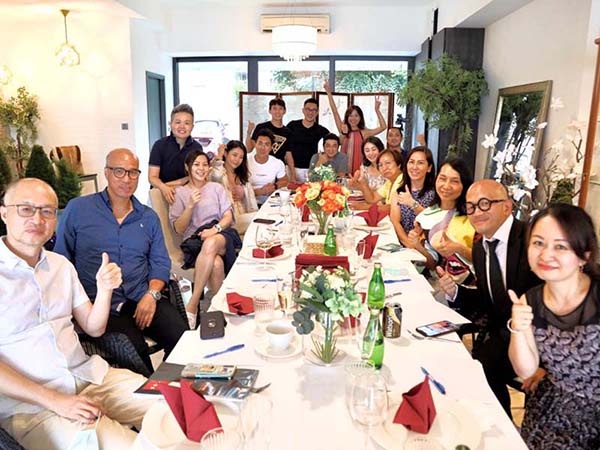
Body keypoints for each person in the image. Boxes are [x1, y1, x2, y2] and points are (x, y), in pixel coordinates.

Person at [0, 178, 155, 450]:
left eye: (47, 211)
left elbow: (93, 328)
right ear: (4, 213)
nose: (38, 218)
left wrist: (105, 289)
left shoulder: (61, 266)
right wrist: (55, 400)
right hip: (34, 407)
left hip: (91, 378)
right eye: (26, 209)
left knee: (176, 404)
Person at [55, 149, 188, 375]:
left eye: (133, 173)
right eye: (119, 172)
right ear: (106, 173)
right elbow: (61, 261)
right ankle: (152, 395)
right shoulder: (78, 209)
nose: (126, 179)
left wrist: (152, 295)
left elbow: (160, 262)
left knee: (184, 340)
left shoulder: (148, 217)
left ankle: (173, 386)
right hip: (98, 306)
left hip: (141, 296)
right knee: (134, 352)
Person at [436, 179, 542, 417]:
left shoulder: (530, 239)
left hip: (537, 335)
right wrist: (454, 292)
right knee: (466, 365)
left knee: (483, 366)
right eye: (471, 207)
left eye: (484, 204)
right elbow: (486, 300)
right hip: (503, 332)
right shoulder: (479, 246)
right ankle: (499, 424)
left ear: (507, 206)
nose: (476, 212)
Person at [508, 205, 600, 449]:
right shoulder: (531, 299)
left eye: (560, 246)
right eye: (538, 243)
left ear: (584, 255)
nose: (546, 255)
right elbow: (526, 371)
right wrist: (518, 326)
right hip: (550, 409)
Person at [170, 150, 241, 329]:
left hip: (221, 235)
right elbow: (179, 229)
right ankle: (217, 313)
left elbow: (227, 217)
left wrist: (214, 229)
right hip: (194, 242)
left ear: (209, 168)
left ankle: (192, 305)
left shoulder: (216, 188)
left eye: (204, 164)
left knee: (211, 242)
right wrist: (190, 206)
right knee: (216, 264)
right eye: (196, 164)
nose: (201, 168)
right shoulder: (179, 193)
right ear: (188, 168)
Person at [408, 158, 475, 282]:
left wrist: (458, 248)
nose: (446, 186)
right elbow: (432, 264)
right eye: (442, 179)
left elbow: (488, 259)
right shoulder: (426, 216)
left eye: (454, 181)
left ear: (464, 185)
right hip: (440, 284)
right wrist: (417, 245)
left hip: (473, 287)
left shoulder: (474, 217)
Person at [324, 80, 387, 174]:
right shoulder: (343, 128)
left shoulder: (364, 132)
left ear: (360, 117)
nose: (353, 118)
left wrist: (377, 110)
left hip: (360, 171)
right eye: (351, 115)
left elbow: (383, 126)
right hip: (342, 170)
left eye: (356, 115)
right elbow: (335, 112)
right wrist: (328, 92)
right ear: (347, 117)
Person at [148, 104, 203, 204]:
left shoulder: (197, 148)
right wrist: (164, 188)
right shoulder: (159, 145)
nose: (182, 126)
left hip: (186, 195)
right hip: (159, 193)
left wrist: (172, 185)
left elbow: (195, 177)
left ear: (192, 126)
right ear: (171, 124)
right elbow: (152, 177)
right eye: (178, 122)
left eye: (187, 123)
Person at [390, 146, 435, 246]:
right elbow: (395, 223)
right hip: (403, 244)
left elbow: (432, 221)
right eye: (411, 162)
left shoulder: (435, 193)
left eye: (420, 163)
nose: (414, 167)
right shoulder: (399, 192)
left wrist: (412, 203)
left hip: (427, 247)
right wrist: (409, 245)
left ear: (429, 168)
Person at [209, 140, 258, 234]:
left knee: (261, 218)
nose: (237, 160)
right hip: (227, 221)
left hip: (243, 217)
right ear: (226, 154)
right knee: (260, 219)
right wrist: (219, 155)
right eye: (234, 155)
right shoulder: (217, 173)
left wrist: (244, 193)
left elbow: (252, 204)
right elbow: (216, 175)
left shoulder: (242, 176)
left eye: (241, 157)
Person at [286, 97, 329, 183]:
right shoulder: (292, 126)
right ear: (303, 110)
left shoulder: (321, 130)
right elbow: (287, 150)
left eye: (314, 110)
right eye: (308, 109)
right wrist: (293, 173)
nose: (310, 112)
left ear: (317, 112)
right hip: (292, 169)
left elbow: (334, 143)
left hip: (311, 170)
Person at [245, 97, 293, 168]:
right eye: (274, 108)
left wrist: (292, 174)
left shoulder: (288, 132)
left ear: (284, 111)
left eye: (280, 108)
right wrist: (249, 133)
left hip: (278, 168)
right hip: (260, 166)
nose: (277, 111)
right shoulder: (261, 127)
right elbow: (249, 149)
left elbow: (288, 154)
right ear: (269, 111)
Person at [352, 149, 403, 213]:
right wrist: (363, 182)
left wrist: (366, 207)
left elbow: (393, 208)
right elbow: (372, 199)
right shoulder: (389, 182)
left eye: (388, 163)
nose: (384, 168)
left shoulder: (403, 180)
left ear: (399, 165)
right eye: (380, 165)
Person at [247, 128, 289, 205]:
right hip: (248, 202)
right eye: (260, 143)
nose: (262, 148)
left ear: (271, 147)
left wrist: (274, 186)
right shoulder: (245, 161)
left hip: (270, 203)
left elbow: (285, 181)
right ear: (255, 144)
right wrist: (261, 191)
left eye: (267, 144)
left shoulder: (278, 163)